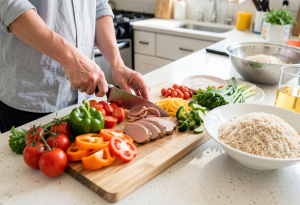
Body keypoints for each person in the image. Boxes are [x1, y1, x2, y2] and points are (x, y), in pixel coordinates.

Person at [0, 0, 150, 133]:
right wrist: (71, 58)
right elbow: (10, 3)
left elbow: (99, 6)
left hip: (87, 103)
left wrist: (118, 65)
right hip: (32, 99)